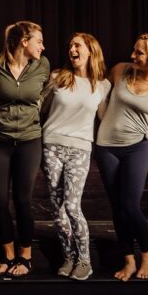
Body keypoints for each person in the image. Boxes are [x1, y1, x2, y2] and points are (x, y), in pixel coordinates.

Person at [95, 33, 148, 281]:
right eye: (134, 50)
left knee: (130, 206)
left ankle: (147, 255)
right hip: (106, 147)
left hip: (137, 148)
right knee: (118, 209)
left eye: (139, 52)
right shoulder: (120, 70)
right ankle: (128, 260)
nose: (133, 56)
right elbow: (95, 90)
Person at [41, 33, 110, 281]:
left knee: (72, 206)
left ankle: (85, 260)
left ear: (90, 50)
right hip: (52, 146)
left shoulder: (101, 85)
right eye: (70, 45)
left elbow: (105, 118)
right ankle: (69, 256)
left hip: (80, 149)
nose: (72, 49)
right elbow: (41, 108)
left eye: (77, 45)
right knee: (57, 210)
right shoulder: (57, 77)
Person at [0, 21, 49, 278]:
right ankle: (7, 254)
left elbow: (45, 93)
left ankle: (26, 256)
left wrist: (34, 109)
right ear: (24, 41)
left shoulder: (42, 65)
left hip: (29, 140)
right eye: (39, 41)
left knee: (23, 200)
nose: (42, 46)